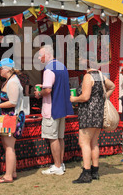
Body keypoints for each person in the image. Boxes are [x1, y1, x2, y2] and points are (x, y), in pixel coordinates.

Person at [70, 60, 115, 183]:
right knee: (94, 143)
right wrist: (104, 97)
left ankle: (86, 173)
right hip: (98, 112)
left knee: (84, 143)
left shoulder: (87, 77)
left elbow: (85, 97)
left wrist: (74, 99)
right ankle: (95, 171)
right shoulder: (100, 75)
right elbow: (112, 86)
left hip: (88, 113)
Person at [35, 45, 74, 175]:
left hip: (51, 108)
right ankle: (60, 164)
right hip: (61, 107)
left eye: (40, 55)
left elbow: (48, 90)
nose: (39, 58)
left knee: (53, 138)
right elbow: (56, 86)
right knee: (59, 137)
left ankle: (57, 166)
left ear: (47, 54)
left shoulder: (48, 69)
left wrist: (39, 93)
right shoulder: (61, 66)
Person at [0, 58, 24, 183]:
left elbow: (12, 102)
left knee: (9, 147)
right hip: (7, 116)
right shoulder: (10, 80)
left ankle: (8, 175)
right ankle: (12, 172)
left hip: (11, 117)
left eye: (0, 68)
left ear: (7, 69)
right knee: (8, 146)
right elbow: (8, 97)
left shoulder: (12, 82)